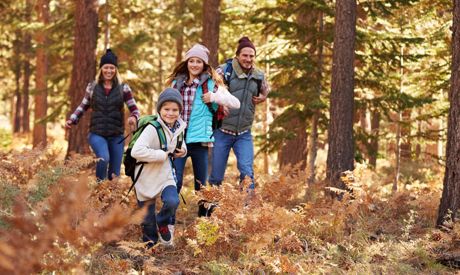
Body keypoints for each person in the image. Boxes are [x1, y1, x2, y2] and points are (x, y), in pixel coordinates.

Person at [166, 44, 240, 216]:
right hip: (179, 141)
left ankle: (203, 224)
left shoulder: (211, 85)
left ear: (204, 65)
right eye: (191, 61)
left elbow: (236, 103)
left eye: (198, 61)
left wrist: (214, 97)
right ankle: (168, 221)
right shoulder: (177, 84)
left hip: (200, 142)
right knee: (174, 182)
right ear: (186, 63)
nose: (194, 65)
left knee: (202, 187)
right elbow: (166, 108)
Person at [65, 49, 139, 182]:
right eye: (106, 67)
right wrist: (72, 119)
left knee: (114, 175)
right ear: (101, 69)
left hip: (116, 136)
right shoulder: (92, 87)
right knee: (103, 158)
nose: (109, 71)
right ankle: (99, 190)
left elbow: (135, 109)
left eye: (112, 68)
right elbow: (83, 106)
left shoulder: (123, 88)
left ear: (116, 70)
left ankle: (110, 201)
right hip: (97, 134)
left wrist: (133, 117)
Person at [209, 37, 270, 190]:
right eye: (245, 55)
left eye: (251, 56)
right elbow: (210, 91)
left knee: (247, 174)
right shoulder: (223, 71)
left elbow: (266, 89)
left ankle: (245, 212)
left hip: (244, 133)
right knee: (216, 176)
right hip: (222, 131)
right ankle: (209, 212)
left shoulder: (259, 75)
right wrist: (220, 103)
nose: (248, 59)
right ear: (237, 55)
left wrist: (264, 96)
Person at [130, 88, 187, 247]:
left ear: (180, 111)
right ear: (159, 110)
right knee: (147, 221)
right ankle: (149, 248)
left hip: (165, 174)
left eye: (175, 109)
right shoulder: (152, 128)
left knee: (172, 201)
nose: (171, 113)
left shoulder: (179, 126)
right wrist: (160, 155)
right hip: (145, 176)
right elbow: (136, 151)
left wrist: (183, 150)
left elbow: (180, 142)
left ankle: (162, 222)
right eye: (166, 109)